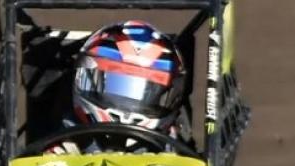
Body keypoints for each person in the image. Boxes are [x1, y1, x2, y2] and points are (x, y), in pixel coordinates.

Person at [49, 21, 190, 154]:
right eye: (118, 85)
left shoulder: (176, 157)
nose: (126, 115)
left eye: (148, 92)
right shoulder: (56, 147)